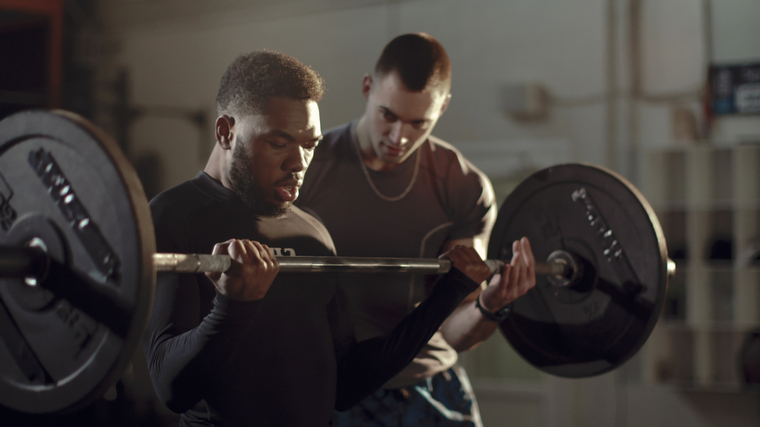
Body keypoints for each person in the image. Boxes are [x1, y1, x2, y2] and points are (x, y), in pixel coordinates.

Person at [143, 50, 499, 427]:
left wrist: (447, 295)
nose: (298, 164)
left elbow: (346, 384)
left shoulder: (310, 231)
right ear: (226, 132)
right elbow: (172, 390)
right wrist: (233, 305)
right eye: (279, 143)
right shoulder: (175, 216)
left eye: (309, 144)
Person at [296, 33, 537, 426]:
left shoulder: (463, 186)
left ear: (442, 108)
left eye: (417, 122)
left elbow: (457, 331)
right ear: (367, 88)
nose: (398, 137)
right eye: (388, 115)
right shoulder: (308, 166)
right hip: (326, 386)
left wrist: (491, 307)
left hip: (425, 388)